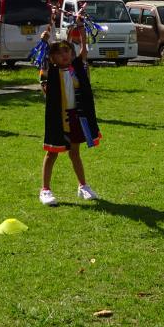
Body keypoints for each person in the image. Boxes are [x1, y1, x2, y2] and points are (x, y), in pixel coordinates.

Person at [38, 19, 101, 206]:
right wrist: (44, 42)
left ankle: (83, 186)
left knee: (75, 153)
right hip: (58, 119)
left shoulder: (77, 68)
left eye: (66, 50)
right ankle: (45, 190)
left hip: (76, 117)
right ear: (52, 58)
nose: (64, 54)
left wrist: (81, 29)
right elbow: (42, 63)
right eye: (58, 53)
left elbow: (84, 50)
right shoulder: (50, 72)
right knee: (52, 153)